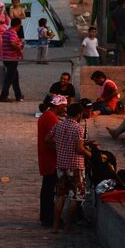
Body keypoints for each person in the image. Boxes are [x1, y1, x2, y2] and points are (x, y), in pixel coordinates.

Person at [48, 103, 91, 233]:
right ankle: (68, 225)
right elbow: (79, 149)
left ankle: (55, 226)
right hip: (75, 166)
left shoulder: (59, 124)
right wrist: (90, 154)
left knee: (60, 195)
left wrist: (59, 147)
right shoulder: (78, 128)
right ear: (79, 114)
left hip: (61, 165)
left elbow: (47, 138)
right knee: (77, 196)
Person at [38, 95, 66, 227]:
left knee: (47, 189)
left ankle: (46, 216)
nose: (65, 109)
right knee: (50, 190)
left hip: (47, 158)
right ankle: (48, 217)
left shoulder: (46, 116)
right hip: (51, 159)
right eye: (63, 106)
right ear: (58, 105)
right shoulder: (50, 118)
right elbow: (50, 139)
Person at [0, 18, 24, 102]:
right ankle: (3, 96)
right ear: (18, 25)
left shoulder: (6, 31)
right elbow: (13, 43)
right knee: (9, 78)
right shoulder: (13, 32)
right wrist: (19, 50)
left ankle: (18, 95)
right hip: (12, 58)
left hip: (6, 57)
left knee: (15, 77)